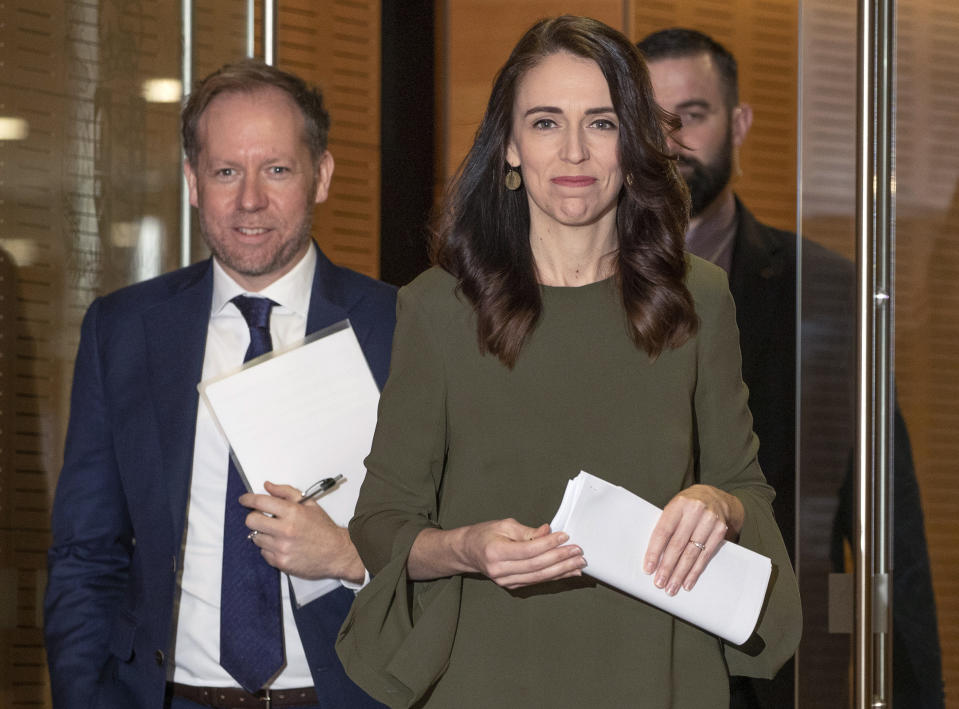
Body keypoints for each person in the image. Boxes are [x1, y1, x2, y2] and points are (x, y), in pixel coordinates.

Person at [335, 16, 801, 708]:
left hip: (659, 673)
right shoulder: (439, 307)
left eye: (602, 123)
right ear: (510, 149)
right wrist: (467, 547)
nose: (574, 150)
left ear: (634, 144)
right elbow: (380, 520)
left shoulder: (697, 297)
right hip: (484, 674)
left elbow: (742, 486)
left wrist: (716, 504)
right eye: (546, 122)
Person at [43, 60, 393, 709]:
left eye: (277, 169)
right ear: (192, 183)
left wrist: (352, 554)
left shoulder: (401, 328)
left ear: (322, 177)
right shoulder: (122, 330)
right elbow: (86, 553)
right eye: (226, 171)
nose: (249, 199)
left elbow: (452, 537)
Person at [638, 27, 944, 709]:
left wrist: (916, 690)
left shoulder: (826, 289)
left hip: (774, 668)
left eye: (691, 115)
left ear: (738, 122)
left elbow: (883, 524)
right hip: (616, 660)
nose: (670, 143)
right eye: (650, 122)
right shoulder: (576, 285)